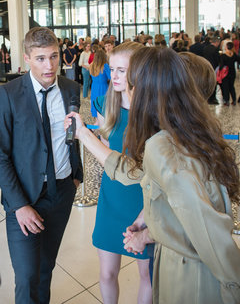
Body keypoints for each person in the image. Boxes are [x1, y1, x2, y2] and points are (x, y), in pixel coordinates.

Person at [66, 47, 240, 304]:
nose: (126, 86)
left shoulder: (166, 144)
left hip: (192, 279)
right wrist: (145, 221)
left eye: (131, 80)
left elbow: (205, 233)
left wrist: (146, 235)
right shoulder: (193, 132)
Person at [0, 27, 82, 304]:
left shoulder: (70, 89)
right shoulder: (8, 94)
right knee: (28, 275)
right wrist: (19, 204)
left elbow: (72, 135)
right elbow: (0, 154)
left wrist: (75, 177)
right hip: (25, 196)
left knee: (46, 268)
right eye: (41, 58)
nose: (50, 65)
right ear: (27, 58)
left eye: (54, 56)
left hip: (61, 191)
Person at [90, 42, 151, 304]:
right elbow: (106, 152)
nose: (113, 76)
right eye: (111, 69)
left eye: (120, 70)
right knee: (106, 273)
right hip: (112, 195)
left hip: (143, 198)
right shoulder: (105, 104)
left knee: (147, 275)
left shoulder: (153, 112)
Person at [89, 47, 110, 122]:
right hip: (103, 88)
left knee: (95, 105)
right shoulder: (105, 66)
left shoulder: (91, 65)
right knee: (103, 106)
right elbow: (110, 77)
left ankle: (96, 124)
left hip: (94, 87)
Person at [218, 42, 239, 106]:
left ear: (226, 47)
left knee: (225, 87)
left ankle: (226, 101)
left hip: (225, 73)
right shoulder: (234, 55)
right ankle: (234, 100)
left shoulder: (223, 56)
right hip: (232, 73)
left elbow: (221, 66)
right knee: (231, 87)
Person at [202, 36, 221, 104]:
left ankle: (207, 97)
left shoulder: (205, 48)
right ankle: (212, 98)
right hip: (213, 67)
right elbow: (218, 59)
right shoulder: (215, 49)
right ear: (216, 42)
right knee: (214, 83)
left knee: (207, 82)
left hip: (206, 67)